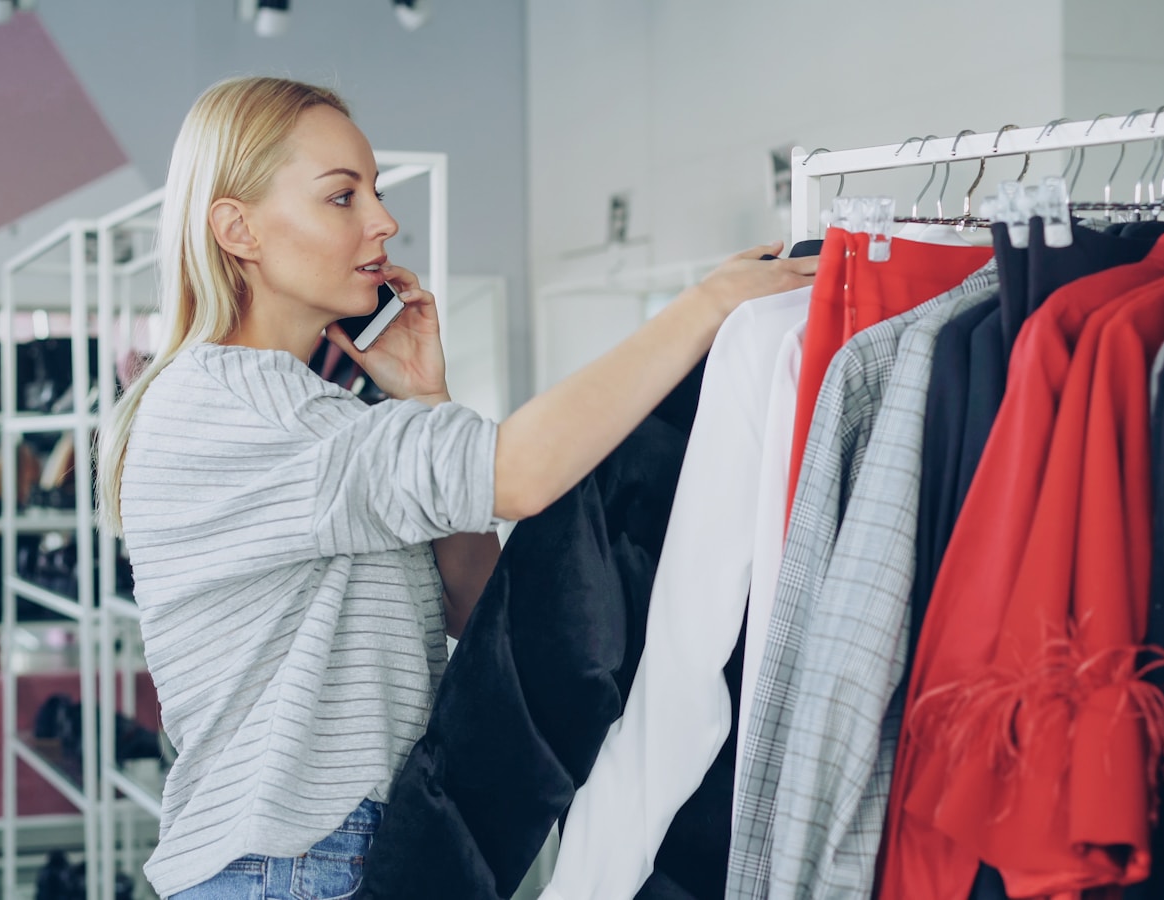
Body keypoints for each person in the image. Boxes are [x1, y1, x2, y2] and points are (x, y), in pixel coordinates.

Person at [97, 75, 816, 900]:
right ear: (237, 228)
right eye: (342, 197)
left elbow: (474, 606)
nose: (383, 221)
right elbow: (519, 474)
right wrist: (703, 309)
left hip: (347, 857)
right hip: (292, 868)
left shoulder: (322, 416)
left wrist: (427, 404)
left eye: (375, 191)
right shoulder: (231, 406)